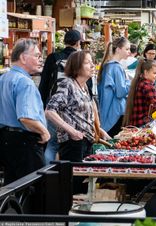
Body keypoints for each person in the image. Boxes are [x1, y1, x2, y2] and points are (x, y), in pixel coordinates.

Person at [45, 51, 110, 194]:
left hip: (85, 140)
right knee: (74, 182)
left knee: (82, 180)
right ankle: (68, 213)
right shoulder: (67, 84)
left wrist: (101, 131)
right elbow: (50, 111)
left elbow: (86, 114)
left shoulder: (84, 86)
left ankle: (78, 211)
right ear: (76, 67)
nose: (92, 65)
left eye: (92, 61)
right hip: (72, 142)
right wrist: (71, 131)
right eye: (87, 62)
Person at [0, 38, 50, 185]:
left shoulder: (4, 78)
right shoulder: (24, 82)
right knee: (34, 188)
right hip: (24, 142)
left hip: (6, 140)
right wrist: (44, 131)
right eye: (37, 55)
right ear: (23, 57)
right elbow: (26, 118)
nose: (40, 60)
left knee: (13, 187)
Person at [38, 29, 82, 165]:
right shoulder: (81, 59)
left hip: (53, 108)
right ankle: (67, 179)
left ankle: (46, 178)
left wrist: (43, 105)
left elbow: (44, 83)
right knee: (71, 146)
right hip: (74, 111)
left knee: (52, 145)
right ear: (78, 42)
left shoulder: (53, 57)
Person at [97, 37, 131, 137]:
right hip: (116, 112)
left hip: (108, 112)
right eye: (127, 49)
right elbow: (121, 92)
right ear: (118, 49)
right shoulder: (116, 67)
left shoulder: (107, 66)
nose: (129, 52)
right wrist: (130, 82)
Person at [123, 60, 156, 127]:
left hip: (136, 123)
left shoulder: (138, 83)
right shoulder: (147, 86)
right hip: (144, 123)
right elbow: (155, 106)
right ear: (146, 72)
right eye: (154, 73)